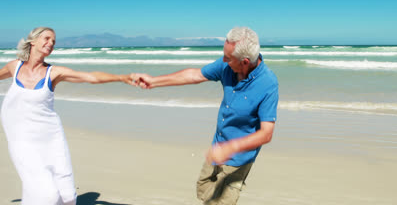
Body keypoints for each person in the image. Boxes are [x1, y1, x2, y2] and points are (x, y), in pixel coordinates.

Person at [132, 27, 278, 205]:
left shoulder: (268, 84)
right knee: (204, 192)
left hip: (238, 160)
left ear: (245, 62)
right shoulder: (227, 66)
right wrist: (154, 81)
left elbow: (266, 133)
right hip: (217, 146)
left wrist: (230, 148)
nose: (223, 60)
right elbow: (194, 75)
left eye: (228, 58)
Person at [0, 27, 137, 205]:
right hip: (22, 139)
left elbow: (90, 77)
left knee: (68, 197)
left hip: (50, 136)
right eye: (47, 38)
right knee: (46, 193)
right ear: (32, 41)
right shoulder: (14, 67)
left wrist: (121, 78)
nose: (51, 43)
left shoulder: (54, 72)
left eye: (54, 42)